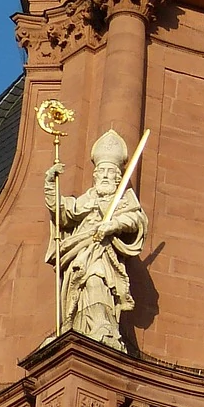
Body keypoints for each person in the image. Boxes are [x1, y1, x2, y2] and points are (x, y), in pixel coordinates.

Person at [44, 129, 146, 351]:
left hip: (102, 253)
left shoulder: (122, 201)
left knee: (96, 277)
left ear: (118, 178)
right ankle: (77, 327)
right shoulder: (86, 200)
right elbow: (62, 213)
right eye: (102, 172)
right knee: (77, 290)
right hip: (80, 250)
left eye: (111, 173)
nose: (106, 176)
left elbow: (135, 220)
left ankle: (102, 325)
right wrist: (51, 184)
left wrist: (112, 225)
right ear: (96, 176)